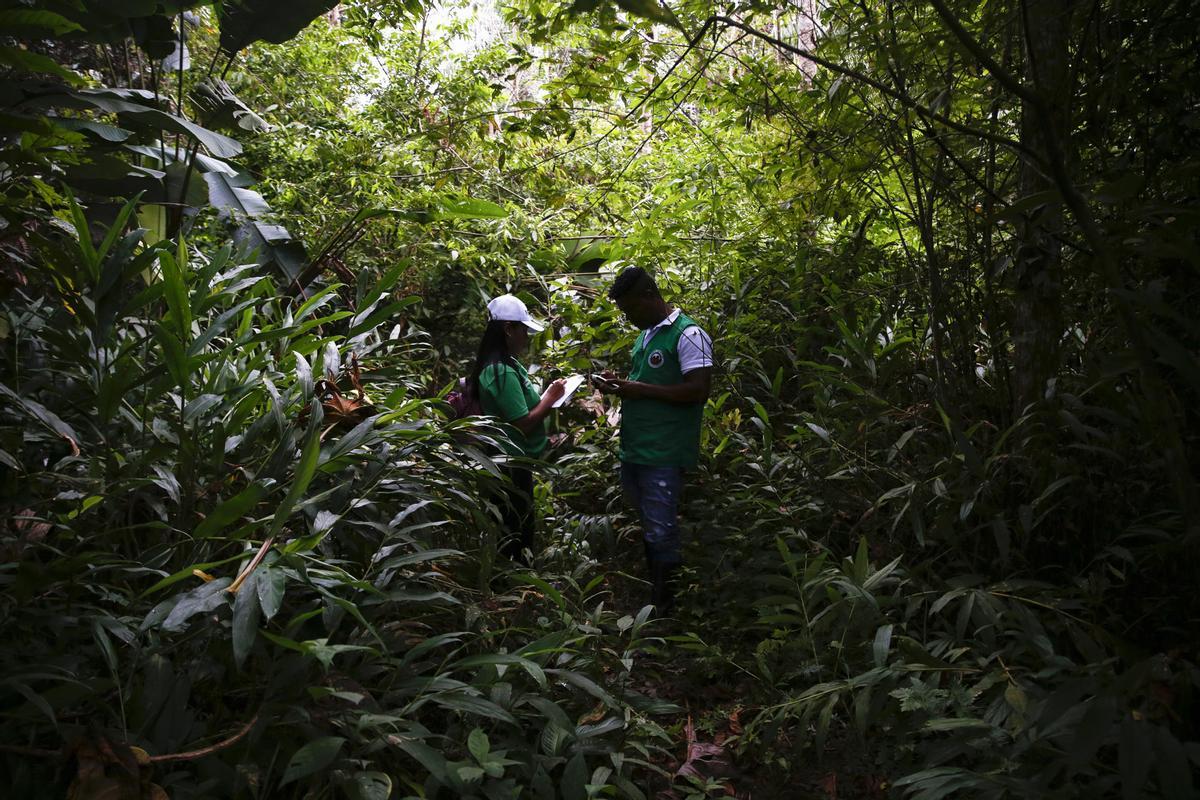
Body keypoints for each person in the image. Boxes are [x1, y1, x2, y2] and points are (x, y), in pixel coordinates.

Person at [596, 266, 713, 614]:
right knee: (651, 527)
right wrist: (620, 384)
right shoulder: (645, 336)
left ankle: (666, 611)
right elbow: (648, 382)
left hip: (664, 451)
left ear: (649, 296)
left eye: (631, 309)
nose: (629, 318)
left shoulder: (689, 334)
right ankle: (658, 601)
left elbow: (698, 390)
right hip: (637, 449)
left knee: (661, 530)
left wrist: (639, 389)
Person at [468, 294, 565, 563]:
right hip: (508, 465)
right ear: (508, 329)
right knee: (516, 533)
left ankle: (512, 580)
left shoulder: (507, 365)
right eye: (523, 330)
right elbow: (522, 422)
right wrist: (550, 398)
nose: (526, 337)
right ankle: (513, 581)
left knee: (515, 528)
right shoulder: (500, 371)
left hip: (512, 461)